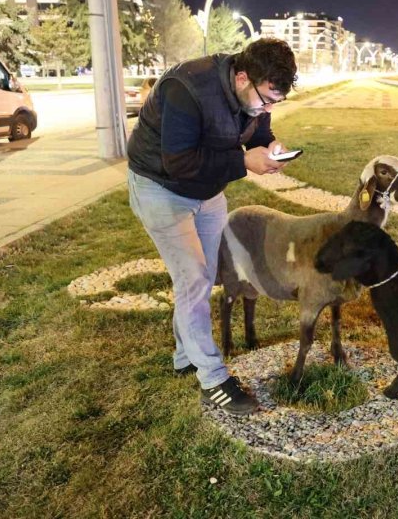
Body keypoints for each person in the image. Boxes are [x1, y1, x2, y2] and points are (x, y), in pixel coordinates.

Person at [126, 38, 297, 415]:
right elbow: (179, 163)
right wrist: (243, 164)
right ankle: (213, 378)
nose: (267, 109)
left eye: (276, 103)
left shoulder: (254, 93)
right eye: (266, 99)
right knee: (194, 279)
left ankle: (185, 355)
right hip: (162, 188)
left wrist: (270, 146)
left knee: (202, 276)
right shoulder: (186, 89)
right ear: (241, 77)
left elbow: (259, 128)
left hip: (208, 190)